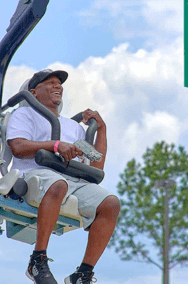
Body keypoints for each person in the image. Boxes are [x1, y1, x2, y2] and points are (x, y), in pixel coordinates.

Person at [7, 69, 120, 283]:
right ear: (33, 91)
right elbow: (18, 147)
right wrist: (56, 145)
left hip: (71, 181)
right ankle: (37, 261)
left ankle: (83, 274)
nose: (57, 86)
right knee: (58, 184)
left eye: (59, 83)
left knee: (111, 203)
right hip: (35, 174)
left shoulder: (73, 127)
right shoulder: (24, 114)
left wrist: (101, 130)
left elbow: (95, 167)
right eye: (50, 83)